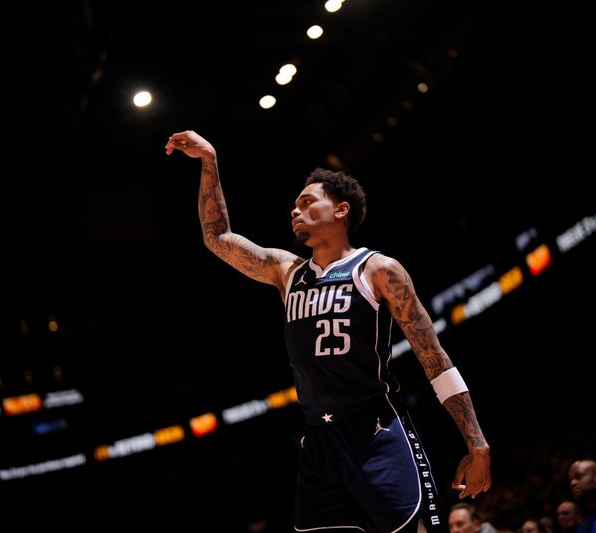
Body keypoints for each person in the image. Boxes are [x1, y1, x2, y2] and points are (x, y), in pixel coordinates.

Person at [165, 130, 491, 533]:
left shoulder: (378, 270)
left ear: (341, 211)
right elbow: (217, 238)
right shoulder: (286, 272)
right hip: (319, 440)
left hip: (377, 432)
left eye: (306, 202)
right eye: (293, 206)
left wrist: (476, 444)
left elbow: (433, 357)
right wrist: (209, 161)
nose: (294, 211)